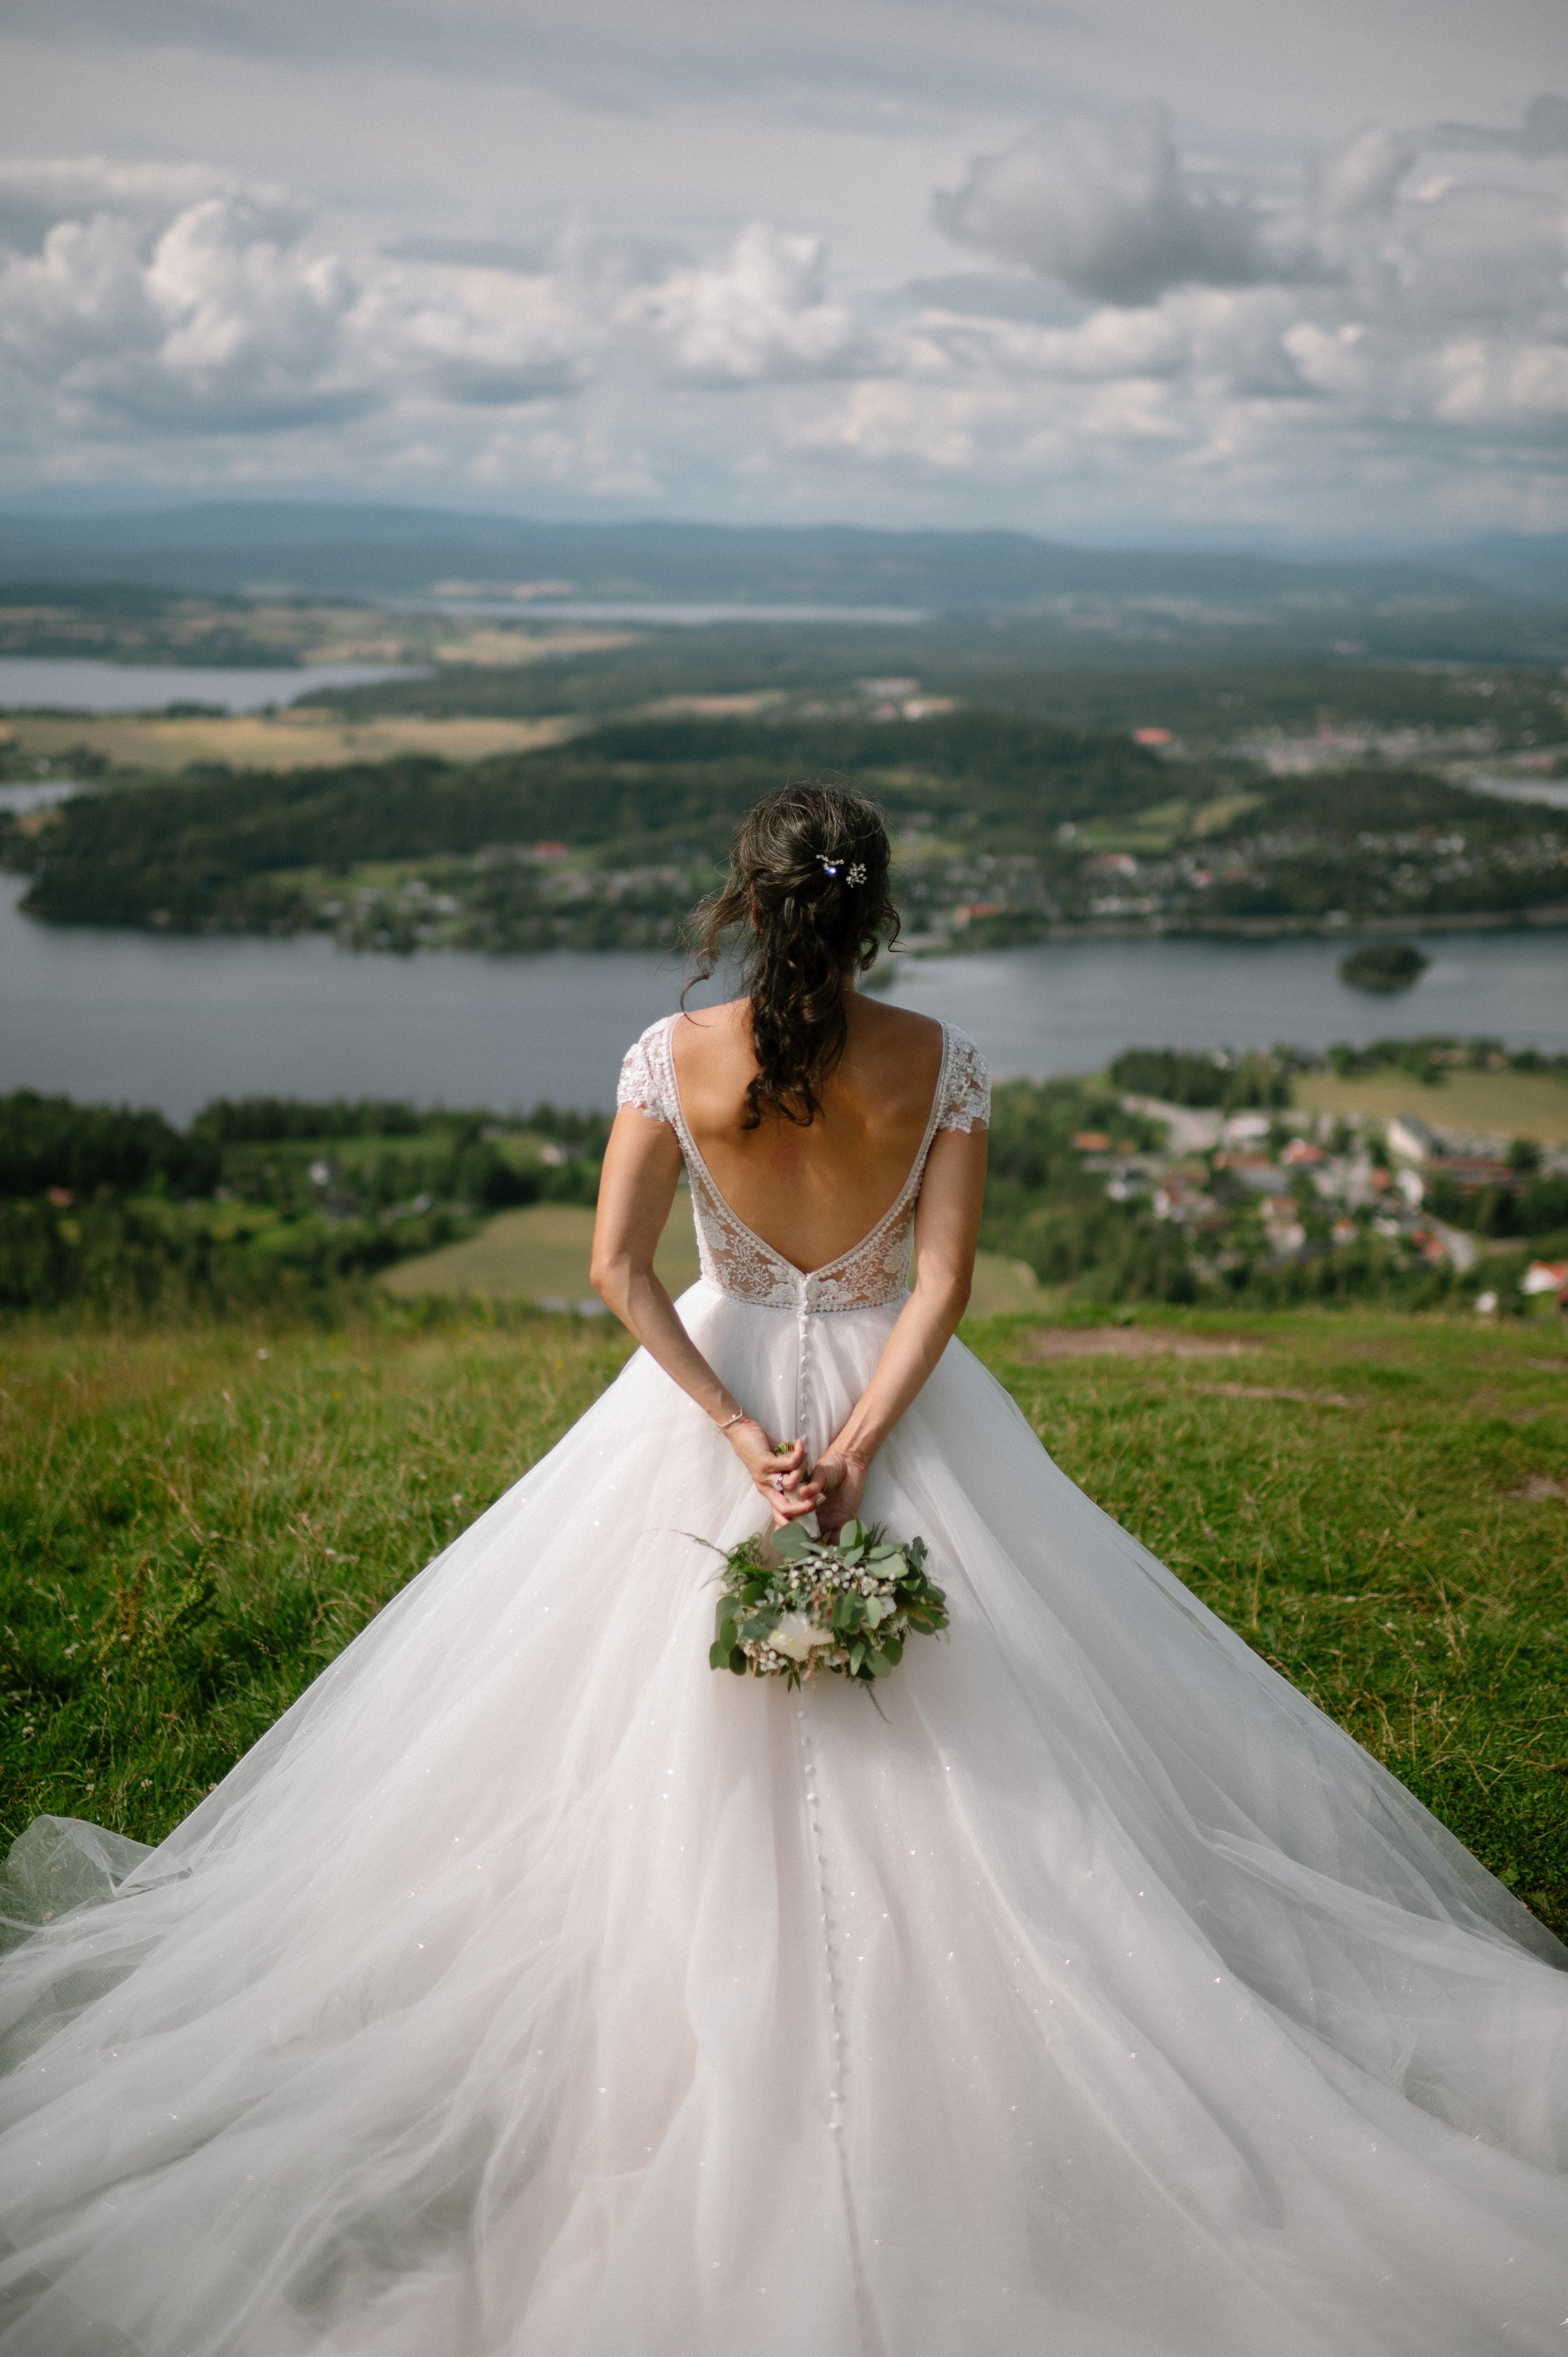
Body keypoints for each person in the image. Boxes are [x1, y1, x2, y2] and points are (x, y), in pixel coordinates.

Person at [0, 781, 1565, 2357]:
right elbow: (942, 1279)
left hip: (714, 1402)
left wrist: (745, 1435)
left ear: (743, 906)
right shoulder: (940, 1060)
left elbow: (616, 1269)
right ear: (874, 907)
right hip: (906, 1406)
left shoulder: (667, 1060)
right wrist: (865, 1441)